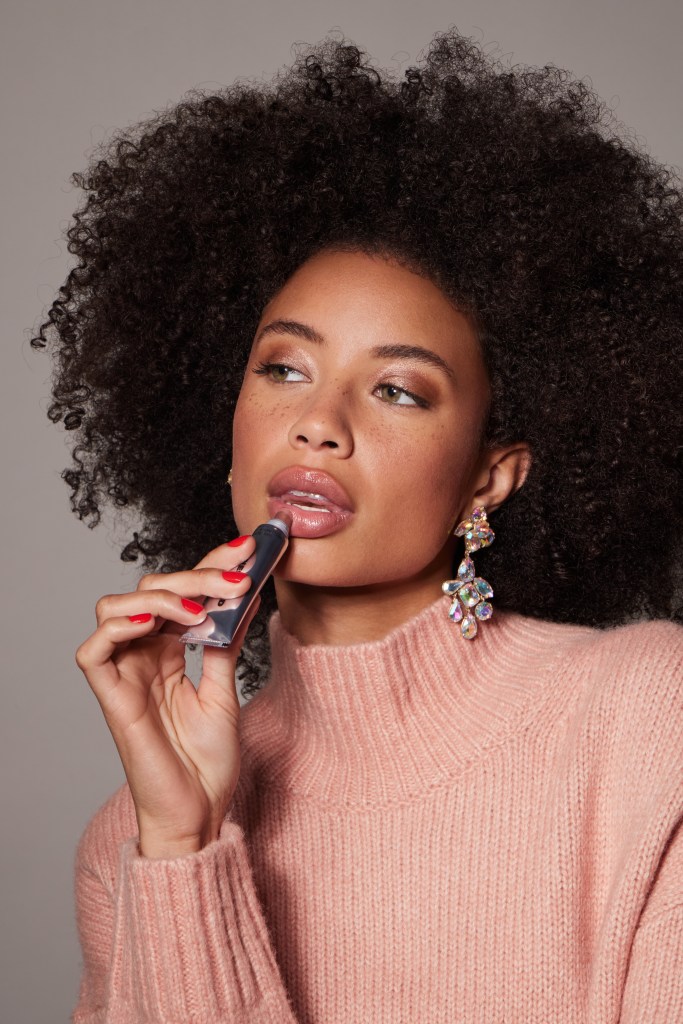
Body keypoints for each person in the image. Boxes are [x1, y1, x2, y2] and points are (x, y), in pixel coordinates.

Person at [33, 29, 683, 1024]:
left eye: (396, 388)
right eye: (283, 370)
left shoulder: (644, 726)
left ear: (488, 478)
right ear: (228, 424)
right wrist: (186, 846)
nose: (318, 424)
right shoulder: (130, 835)